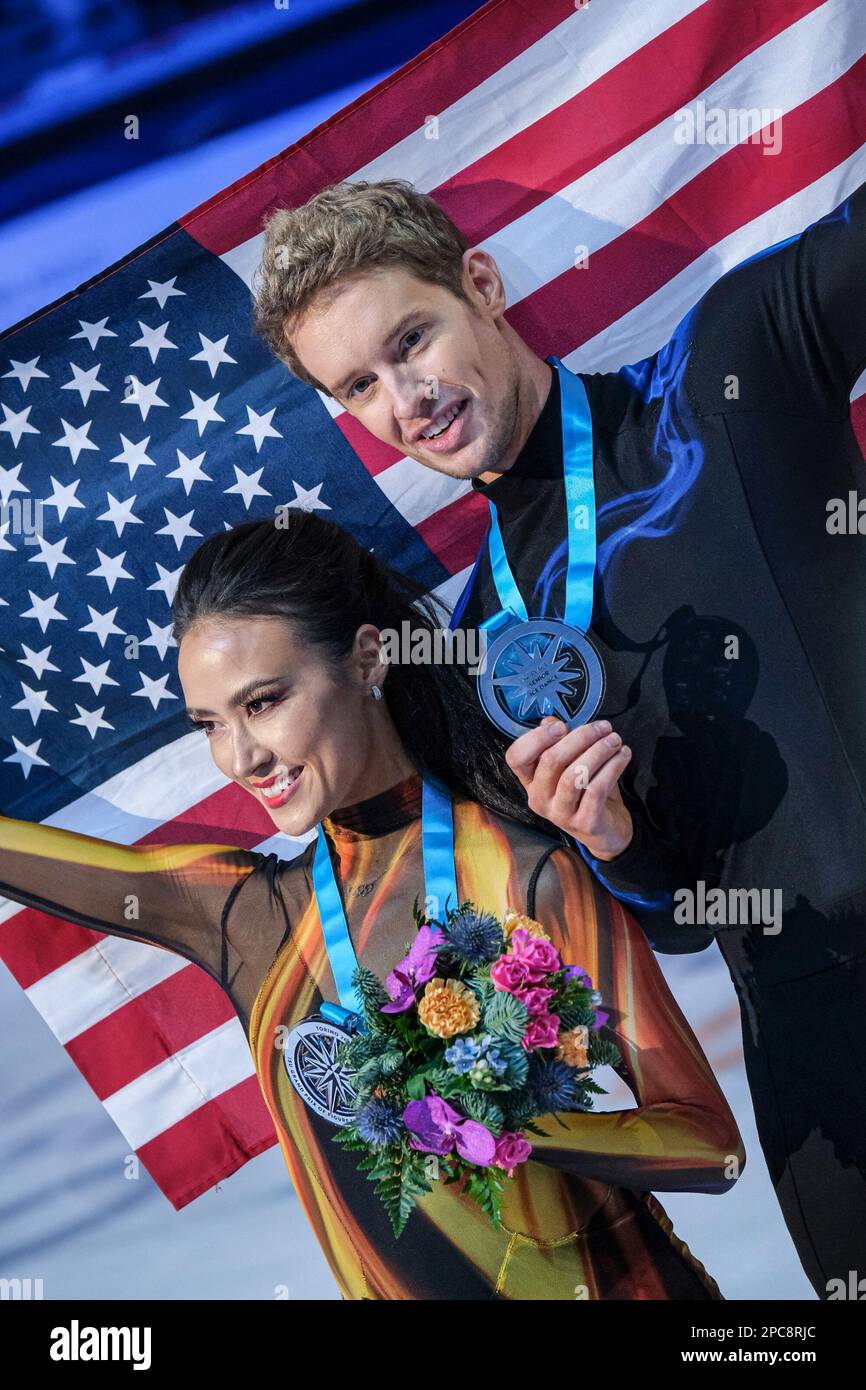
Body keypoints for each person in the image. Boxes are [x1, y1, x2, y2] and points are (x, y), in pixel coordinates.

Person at [249, 176, 866, 1296]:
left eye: (412, 338)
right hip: (828, 1071)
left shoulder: (726, 377)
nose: (407, 398)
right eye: (361, 385)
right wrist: (617, 840)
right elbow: (682, 921)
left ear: (479, 285)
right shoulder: (491, 654)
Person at [0, 511, 744, 1301]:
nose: (240, 758)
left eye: (263, 703)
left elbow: (708, 1143)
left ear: (364, 658)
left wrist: (502, 1129)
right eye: (210, 725)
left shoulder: (527, 873)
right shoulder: (247, 919)